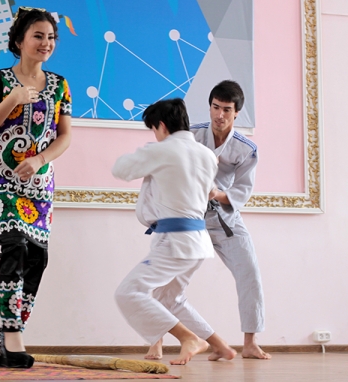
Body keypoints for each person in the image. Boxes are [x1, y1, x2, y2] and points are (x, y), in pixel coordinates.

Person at [0, 7, 72, 368]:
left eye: (51, 37)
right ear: (19, 40)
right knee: (14, 247)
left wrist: (41, 159)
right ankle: (14, 336)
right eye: (38, 36)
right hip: (0, 180)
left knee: (37, 258)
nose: (46, 43)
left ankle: (6, 334)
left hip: (40, 186)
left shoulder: (60, 85)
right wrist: (12, 99)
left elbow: (65, 137)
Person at [144, 80, 270, 361]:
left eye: (226, 110)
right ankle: (156, 342)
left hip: (225, 219)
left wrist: (217, 193)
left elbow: (242, 190)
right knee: (165, 279)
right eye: (215, 107)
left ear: (237, 113)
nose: (219, 115)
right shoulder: (190, 135)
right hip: (188, 218)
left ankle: (250, 343)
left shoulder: (246, 149)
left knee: (250, 274)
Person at [113, 98, 236, 365]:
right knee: (170, 299)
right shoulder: (206, 155)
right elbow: (205, 191)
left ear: (161, 125)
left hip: (175, 241)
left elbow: (120, 169)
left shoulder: (162, 150)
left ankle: (189, 338)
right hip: (198, 242)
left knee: (128, 292)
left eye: (153, 130)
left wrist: (148, 152)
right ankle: (222, 347)